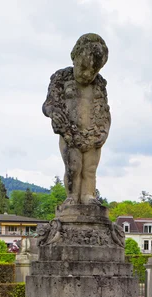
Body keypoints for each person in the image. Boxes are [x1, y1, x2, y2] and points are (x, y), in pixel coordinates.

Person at [42, 34, 111, 206]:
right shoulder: (61, 77)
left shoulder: (99, 84)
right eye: (84, 67)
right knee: (73, 168)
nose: (87, 74)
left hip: (93, 134)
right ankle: (72, 197)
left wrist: (104, 130)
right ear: (75, 57)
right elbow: (49, 104)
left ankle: (89, 196)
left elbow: (105, 110)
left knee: (90, 169)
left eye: (93, 71)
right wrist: (53, 113)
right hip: (70, 133)